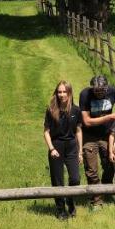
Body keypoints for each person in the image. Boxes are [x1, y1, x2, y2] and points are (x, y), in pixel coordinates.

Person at [43, 80, 83, 219]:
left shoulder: (76, 110)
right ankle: (61, 210)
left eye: (64, 92)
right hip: (56, 146)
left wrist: (80, 151)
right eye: (59, 92)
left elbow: (78, 131)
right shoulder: (51, 109)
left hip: (72, 146)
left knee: (75, 178)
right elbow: (46, 132)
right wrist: (51, 148)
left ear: (70, 93)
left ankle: (70, 201)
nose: (61, 94)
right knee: (57, 180)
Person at [79, 74, 115, 206]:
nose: (98, 93)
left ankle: (106, 192)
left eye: (101, 91)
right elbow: (87, 121)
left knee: (110, 166)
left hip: (107, 135)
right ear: (92, 88)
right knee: (92, 170)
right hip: (89, 136)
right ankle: (96, 200)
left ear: (106, 88)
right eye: (96, 91)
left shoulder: (112, 91)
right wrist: (109, 117)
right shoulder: (85, 94)